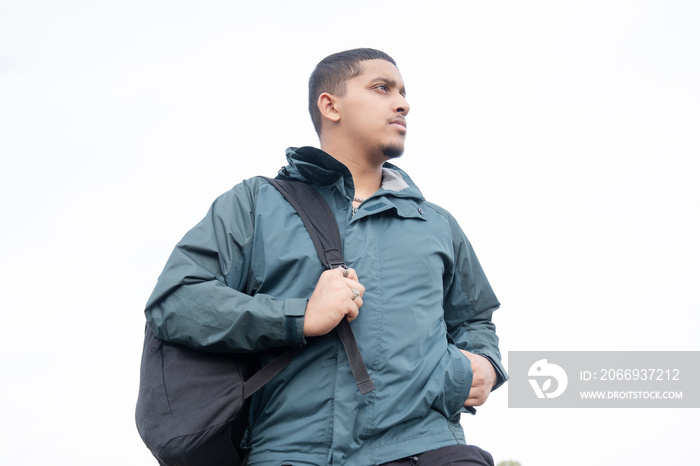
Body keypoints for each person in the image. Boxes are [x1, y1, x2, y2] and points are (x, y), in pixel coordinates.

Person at [144, 48, 507, 466]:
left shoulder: (436, 224)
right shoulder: (256, 204)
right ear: (330, 105)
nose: (403, 103)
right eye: (382, 87)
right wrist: (298, 317)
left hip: (421, 444)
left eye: (403, 92)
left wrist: (483, 363)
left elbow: (475, 318)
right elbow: (176, 300)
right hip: (290, 452)